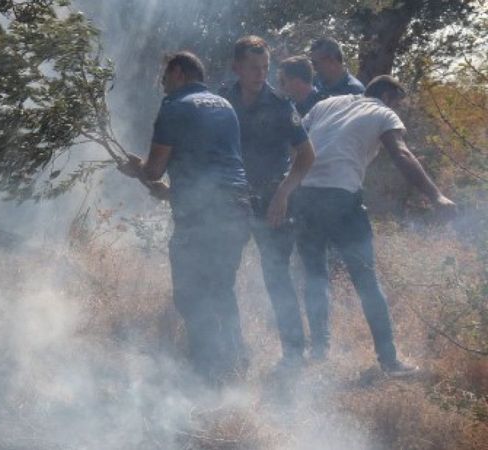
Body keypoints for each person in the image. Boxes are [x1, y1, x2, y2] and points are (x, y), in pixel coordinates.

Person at [294, 75, 457, 376]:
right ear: (385, 95)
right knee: (367, 281)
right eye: (396, 101)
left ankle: (319, 351)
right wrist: (436, 196)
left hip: (303, 195)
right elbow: (401, 153)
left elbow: (296, 139)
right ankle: (390, 361)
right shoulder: (382, 111)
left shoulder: (326, 104)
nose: (397, 108)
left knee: (315, 277)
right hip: (342, 198)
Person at [119, 51, 251, 384]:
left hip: (203, 215)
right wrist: (170, 192)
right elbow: (216, 167)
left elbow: (154, 169)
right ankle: (237, 364)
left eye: (165, 75)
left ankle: (206, 372)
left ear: (178, 72)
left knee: (191, 292)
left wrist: (136, 170)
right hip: (237, 207)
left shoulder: (175, 105)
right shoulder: (224, 105)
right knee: (221, 287)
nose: (162, 83)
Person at [219, 36, 316, 368]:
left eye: (264, 68)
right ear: (237, 68)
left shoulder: (279, 104)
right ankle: (233, 351)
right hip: (230, 204)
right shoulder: (220, 102)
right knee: (223, 276)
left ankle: (293, 353)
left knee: (277, 276)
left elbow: (306, 156)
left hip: (271, 203)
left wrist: (283, 193)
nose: (260, 74)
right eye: (252, 68)